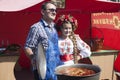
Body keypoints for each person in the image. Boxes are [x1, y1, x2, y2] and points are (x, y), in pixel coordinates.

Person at [24, 1, 62, 80]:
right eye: (51, 10)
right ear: (43, 11)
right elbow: (28, 47)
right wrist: (33, 58)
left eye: (55, 10)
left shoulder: (55, 27)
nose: (54, 12)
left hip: (57, 67)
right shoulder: (36, 28)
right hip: (43, 69)